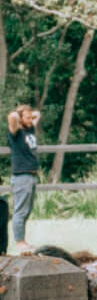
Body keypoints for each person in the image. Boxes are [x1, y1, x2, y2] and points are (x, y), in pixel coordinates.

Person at [7, 98, 40, 250]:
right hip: (21, 176)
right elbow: (12, 117)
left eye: (30, 117)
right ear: (20, 119)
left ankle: (23, 240)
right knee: (20, 211)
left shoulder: (30, 129)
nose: (31, 119)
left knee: (27, 211)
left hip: (32, 176)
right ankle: (19, 242)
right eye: (27, 118)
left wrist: (29, 115)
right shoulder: (15, 132)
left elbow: (37, 114)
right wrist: (19, 115)